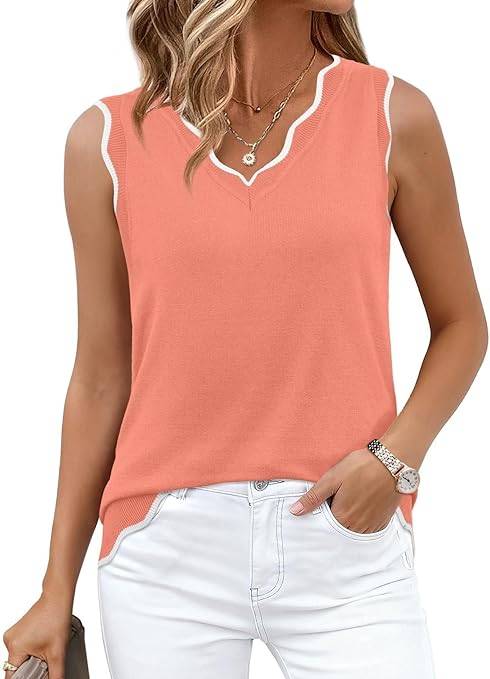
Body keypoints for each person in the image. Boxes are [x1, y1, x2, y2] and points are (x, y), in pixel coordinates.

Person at [3, 2, 487, 678]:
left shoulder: (391, 115)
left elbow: (463, 323)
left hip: (345, 543)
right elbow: (101, 377)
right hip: (164, 557)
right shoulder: (107, 140)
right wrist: (56, 588)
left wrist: (394, 459)